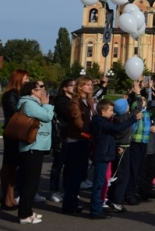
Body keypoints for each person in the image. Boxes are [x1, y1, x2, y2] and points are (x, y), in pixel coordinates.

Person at [88, 99, 141, 220]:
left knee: (100, 182)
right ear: (103, 111)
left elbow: (109, 136)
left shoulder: (102, 121)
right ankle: (95, 210)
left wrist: (116, 147)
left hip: (105, 152)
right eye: (110, 110)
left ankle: (97, 208)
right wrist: (133, 118)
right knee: (98, 183)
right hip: (102, 154)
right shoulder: (101, 122)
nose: (112, 113)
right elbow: (117, 128)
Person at [16, 81, 54, 224]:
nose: (43, 92)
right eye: (40, 89)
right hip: (32, 146)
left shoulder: (32, 102)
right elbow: (47, 117)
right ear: (32, 91)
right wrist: (46, 104)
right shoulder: (29, 103)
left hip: (36, 145)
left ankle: (28, 211)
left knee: (32, 180)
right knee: (30, 181)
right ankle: (24, 215)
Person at [62, 76, 95, 215]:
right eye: (87, 84)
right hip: (77, 140)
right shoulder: (74, 103)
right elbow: (78, 122)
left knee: (80, 173)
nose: (90, 87)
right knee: (74, 175)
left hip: (85, 140)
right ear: (80, 87)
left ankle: (72, 202)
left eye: (91, 84)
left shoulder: (87, 101)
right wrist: (92, 132)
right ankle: (69, 205)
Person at [0, 69, 30, 211]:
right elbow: (14, 111)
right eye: (25, 78)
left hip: (20, 133)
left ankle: (10, 197)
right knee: (9, 166)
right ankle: (7, 198)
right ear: (17, 79)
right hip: (12, 133)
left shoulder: (21, 94)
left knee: (14, 167)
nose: (27, 81)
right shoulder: (10, 94)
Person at [49, 78, 75, 203]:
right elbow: (68, 114)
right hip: (62, 136)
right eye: (72, 86)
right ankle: (54, 190)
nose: (74, 88)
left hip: (71, 136)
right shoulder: (61, 100)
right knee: (58, 165)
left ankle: (67, 189)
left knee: (69, 165)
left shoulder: (73, 100)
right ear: (65, 88)